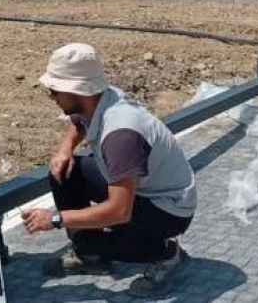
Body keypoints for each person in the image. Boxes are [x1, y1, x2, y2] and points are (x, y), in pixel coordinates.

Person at [22, 43, 197, 296]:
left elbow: (119, 211)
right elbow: (78, 121)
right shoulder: (99, 98)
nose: (53, 97)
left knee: (112, 241)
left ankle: (167, 253)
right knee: (66, 173)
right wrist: (65, 149)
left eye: (54, 91)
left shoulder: (121, 135)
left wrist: (56, 219)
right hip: (142, 190)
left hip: (169, 209)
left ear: (76, 91)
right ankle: (90, 255)